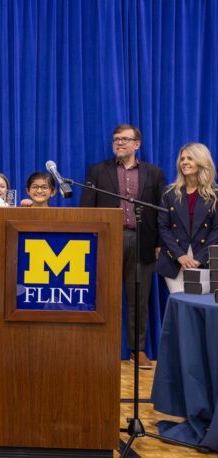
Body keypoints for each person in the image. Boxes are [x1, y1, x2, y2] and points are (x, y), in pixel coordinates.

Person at [80, 124, 165, 369]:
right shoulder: (98, 170)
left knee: (138, 298)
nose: (119, 143)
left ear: (137, 144)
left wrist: (159, 243)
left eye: (125, 140)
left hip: (142, 241)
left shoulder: (154, 173)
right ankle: (100, 347)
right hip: (107, 241)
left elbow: (161, 211)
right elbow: (87, 208)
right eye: (116, 139)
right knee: (103, 296)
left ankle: (137, 350)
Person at [156, 143, 218, 293]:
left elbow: (216, 230)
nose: (184, 162)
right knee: (179, 304)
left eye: (190, 158)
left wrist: (200, 259)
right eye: (182, 158)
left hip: (204, 258)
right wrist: (180, 256)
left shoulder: (214, 194)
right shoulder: (169, 193)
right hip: (174, 258)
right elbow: (163, 227)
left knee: (200, 307)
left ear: (201, 162)